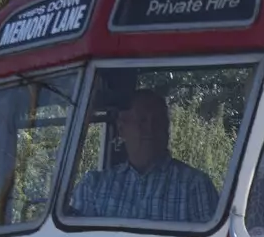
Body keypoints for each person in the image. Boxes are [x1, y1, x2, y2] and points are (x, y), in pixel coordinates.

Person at [68, 89, 218, 222]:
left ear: (167, 128)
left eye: (158, 121)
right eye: (142, 120)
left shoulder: (194, 186)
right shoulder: (94, 186)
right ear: (121, 128)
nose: (151, 129)